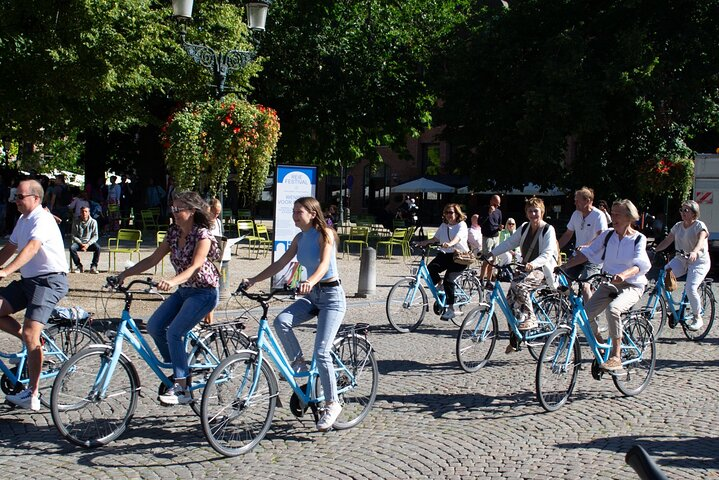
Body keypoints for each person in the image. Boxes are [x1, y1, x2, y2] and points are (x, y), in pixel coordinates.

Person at [242, 197, 345, 432]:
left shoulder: (325, 234)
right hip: (312, 296)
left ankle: (333, 403)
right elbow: (280, 263)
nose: (295, 215)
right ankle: (298, 363)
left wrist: (309, 280)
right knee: (282, 321)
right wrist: (253, 280)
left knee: (321, 351)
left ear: (312, 213)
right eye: (293, 211)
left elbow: (323, 265)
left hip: (331, 297)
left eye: (299, 212)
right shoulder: (299, 238)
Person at [117, 191, 220, 405]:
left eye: (178, 209)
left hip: (204, 292)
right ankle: (178, 369)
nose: (173, 213)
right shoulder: (173, 232)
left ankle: (183, 388)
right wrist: (124, 274)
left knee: (175, 332)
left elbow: (195, 266)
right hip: (184, 291)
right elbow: (153, 258)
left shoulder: (203, 235)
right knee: (154, 326)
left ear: (192, 211)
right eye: (172, 208)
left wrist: (172, 281)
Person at [0, 179, 69, 410]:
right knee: (24, 332)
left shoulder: (43, 219)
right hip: (28, 281)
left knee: (30, 333)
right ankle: (33, 343)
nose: (15, 200)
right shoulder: (23, 219)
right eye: (15, 196)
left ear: (35, 199)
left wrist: (6, 271)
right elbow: (9, 248)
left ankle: (33, 394)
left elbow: (32, 247)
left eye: (20, 197)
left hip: (49, 281)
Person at [560, 199, 650, 372]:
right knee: (586, 316)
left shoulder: (638, 239)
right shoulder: (608, 235)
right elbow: (588, 254)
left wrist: (623, 274)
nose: (613, 217)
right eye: (612, 213)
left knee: (613, 309)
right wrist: (564, 267)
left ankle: (616, 356)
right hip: (609, 283)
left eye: (617, 214)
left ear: (628, 217)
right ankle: (601, 345)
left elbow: (641, 265)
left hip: (632, 284)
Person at [490, 197, 558, 336]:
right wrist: (491, 253)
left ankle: (531, 317)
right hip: (525, 269)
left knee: (520, 286)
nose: (533, 214)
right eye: (530, 211)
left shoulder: (548, 229)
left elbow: (547, 254)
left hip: (541, 270)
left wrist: (533, 264)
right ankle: (515, 337)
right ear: (526, 213)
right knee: (510, 299)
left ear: (542, 212)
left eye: (536, 211)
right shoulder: (525, 227)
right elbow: (509, 243)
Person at [653, 200, 710, 331]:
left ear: (694, 213)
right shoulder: (678, 226)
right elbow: (668, 240)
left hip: (699, 262)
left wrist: (695, 252)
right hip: (681, 259)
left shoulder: (699, 226)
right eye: (681, 210)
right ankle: (666, 303)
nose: (683, 213)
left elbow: (701, 240)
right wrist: (655, 250)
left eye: (686, 210)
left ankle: (697, 317)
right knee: (665, 272)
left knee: (690, 288)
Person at [415, 203, 470, 321]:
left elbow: (458, 238)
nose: (449, 215)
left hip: (459, 257)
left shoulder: (462, 225)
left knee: (449, 280)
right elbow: (435, 239)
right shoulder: (443, 225)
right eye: (446, 212)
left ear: (457, 213)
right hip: (445, 255)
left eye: (451, 212)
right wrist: (423, 243)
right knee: (431, 269)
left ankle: (451, 309)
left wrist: (450, 243)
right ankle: (440, 286)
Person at [558, 187, 608, 293]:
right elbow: (568, 234)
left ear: (588, 201)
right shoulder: (576, 214)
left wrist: (587, 246)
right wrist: (555, 248)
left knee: (585, 287)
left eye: (577, 200)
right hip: (579, 256)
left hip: (594, 258)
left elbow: (601, 237)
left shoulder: (599, 215)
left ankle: (588, 310)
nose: (575, 203)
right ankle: (572, 305)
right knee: (564, 279)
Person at [204, 197, 223, 325]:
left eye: (218, 213)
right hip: (205, 259)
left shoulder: (218, 222)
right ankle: (207, 321)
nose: (216, 216)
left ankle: (209, 320)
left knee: (213, 289)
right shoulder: (203, 222)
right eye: (215, 212)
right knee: (208, 291)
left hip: (216, 258)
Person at [479, 194, 503, 284]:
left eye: (498, 205)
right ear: (491, 202)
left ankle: (489, 280)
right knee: (486, 259)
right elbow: (480, 222)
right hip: (487, 237)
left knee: (493, 260)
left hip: (496, 236)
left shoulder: (499, 212)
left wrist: (500, 227)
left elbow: (499, 223)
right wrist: (489, 213)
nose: (497, 206)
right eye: (495, 204)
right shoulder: (484, 210)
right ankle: (481, 279)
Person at [70, 206, 101, 274]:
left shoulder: (93, 222)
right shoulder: (76, 222)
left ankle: (93, 266)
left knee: (98, 248)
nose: (84, 213)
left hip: (89, 242)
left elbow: (95, 236)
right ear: (80, 213)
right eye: (82, 211)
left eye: (86, 211)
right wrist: (81, 244)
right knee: (72, 248)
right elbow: (73, 235)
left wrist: (87, 244)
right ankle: (79, 266)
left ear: (89, 213)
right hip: (79, 242)